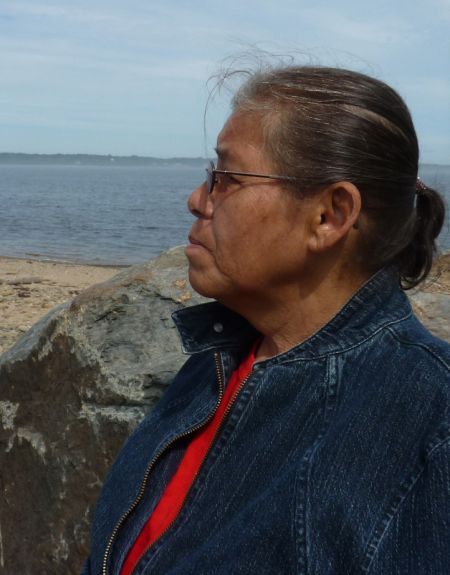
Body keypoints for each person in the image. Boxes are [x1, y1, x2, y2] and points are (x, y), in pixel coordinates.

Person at [83, 65, 450, 574]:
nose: (197, 199)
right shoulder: (216, 365)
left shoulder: (429, 420)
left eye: (227, 179)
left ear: (330, 215)